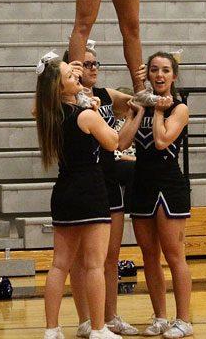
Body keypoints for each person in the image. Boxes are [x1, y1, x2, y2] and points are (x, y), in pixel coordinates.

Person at [36, 53, 135, 339]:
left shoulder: (49, 115)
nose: (77, 76)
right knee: (94, 264)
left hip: (64, 191)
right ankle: (98, 328)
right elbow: (115, 142)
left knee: (59, 264)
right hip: (90, 190)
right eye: (70, 75)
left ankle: (52, 329)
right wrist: (132, 115)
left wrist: (84, 102)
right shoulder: (87, 115)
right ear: (59, 87)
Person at [65, 47, 139, 336]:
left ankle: (111, 315)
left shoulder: (107, 95)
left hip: (108, 181)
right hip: (81, 182)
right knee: (82, 259)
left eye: (96, 63)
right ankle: (85, 318)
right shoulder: (66, 102)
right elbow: (38, 108)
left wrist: (143, 86)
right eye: (87, 64)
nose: (93, 68)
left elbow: (135, 101)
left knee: (110, 255)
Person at [118, 53, 193, 338]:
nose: (159, 75)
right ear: (147, 75)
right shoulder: (141, 104)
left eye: (165, 70)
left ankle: (184, 320)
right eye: (154, 70)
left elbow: (162, 141)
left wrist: (160, 110)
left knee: (174, 256)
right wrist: (139, 109)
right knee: (149, 255)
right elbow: (122, 142)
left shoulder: (179, 108)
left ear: (174, 76)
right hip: (141, 185)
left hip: (169, 186)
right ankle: (160, 317)